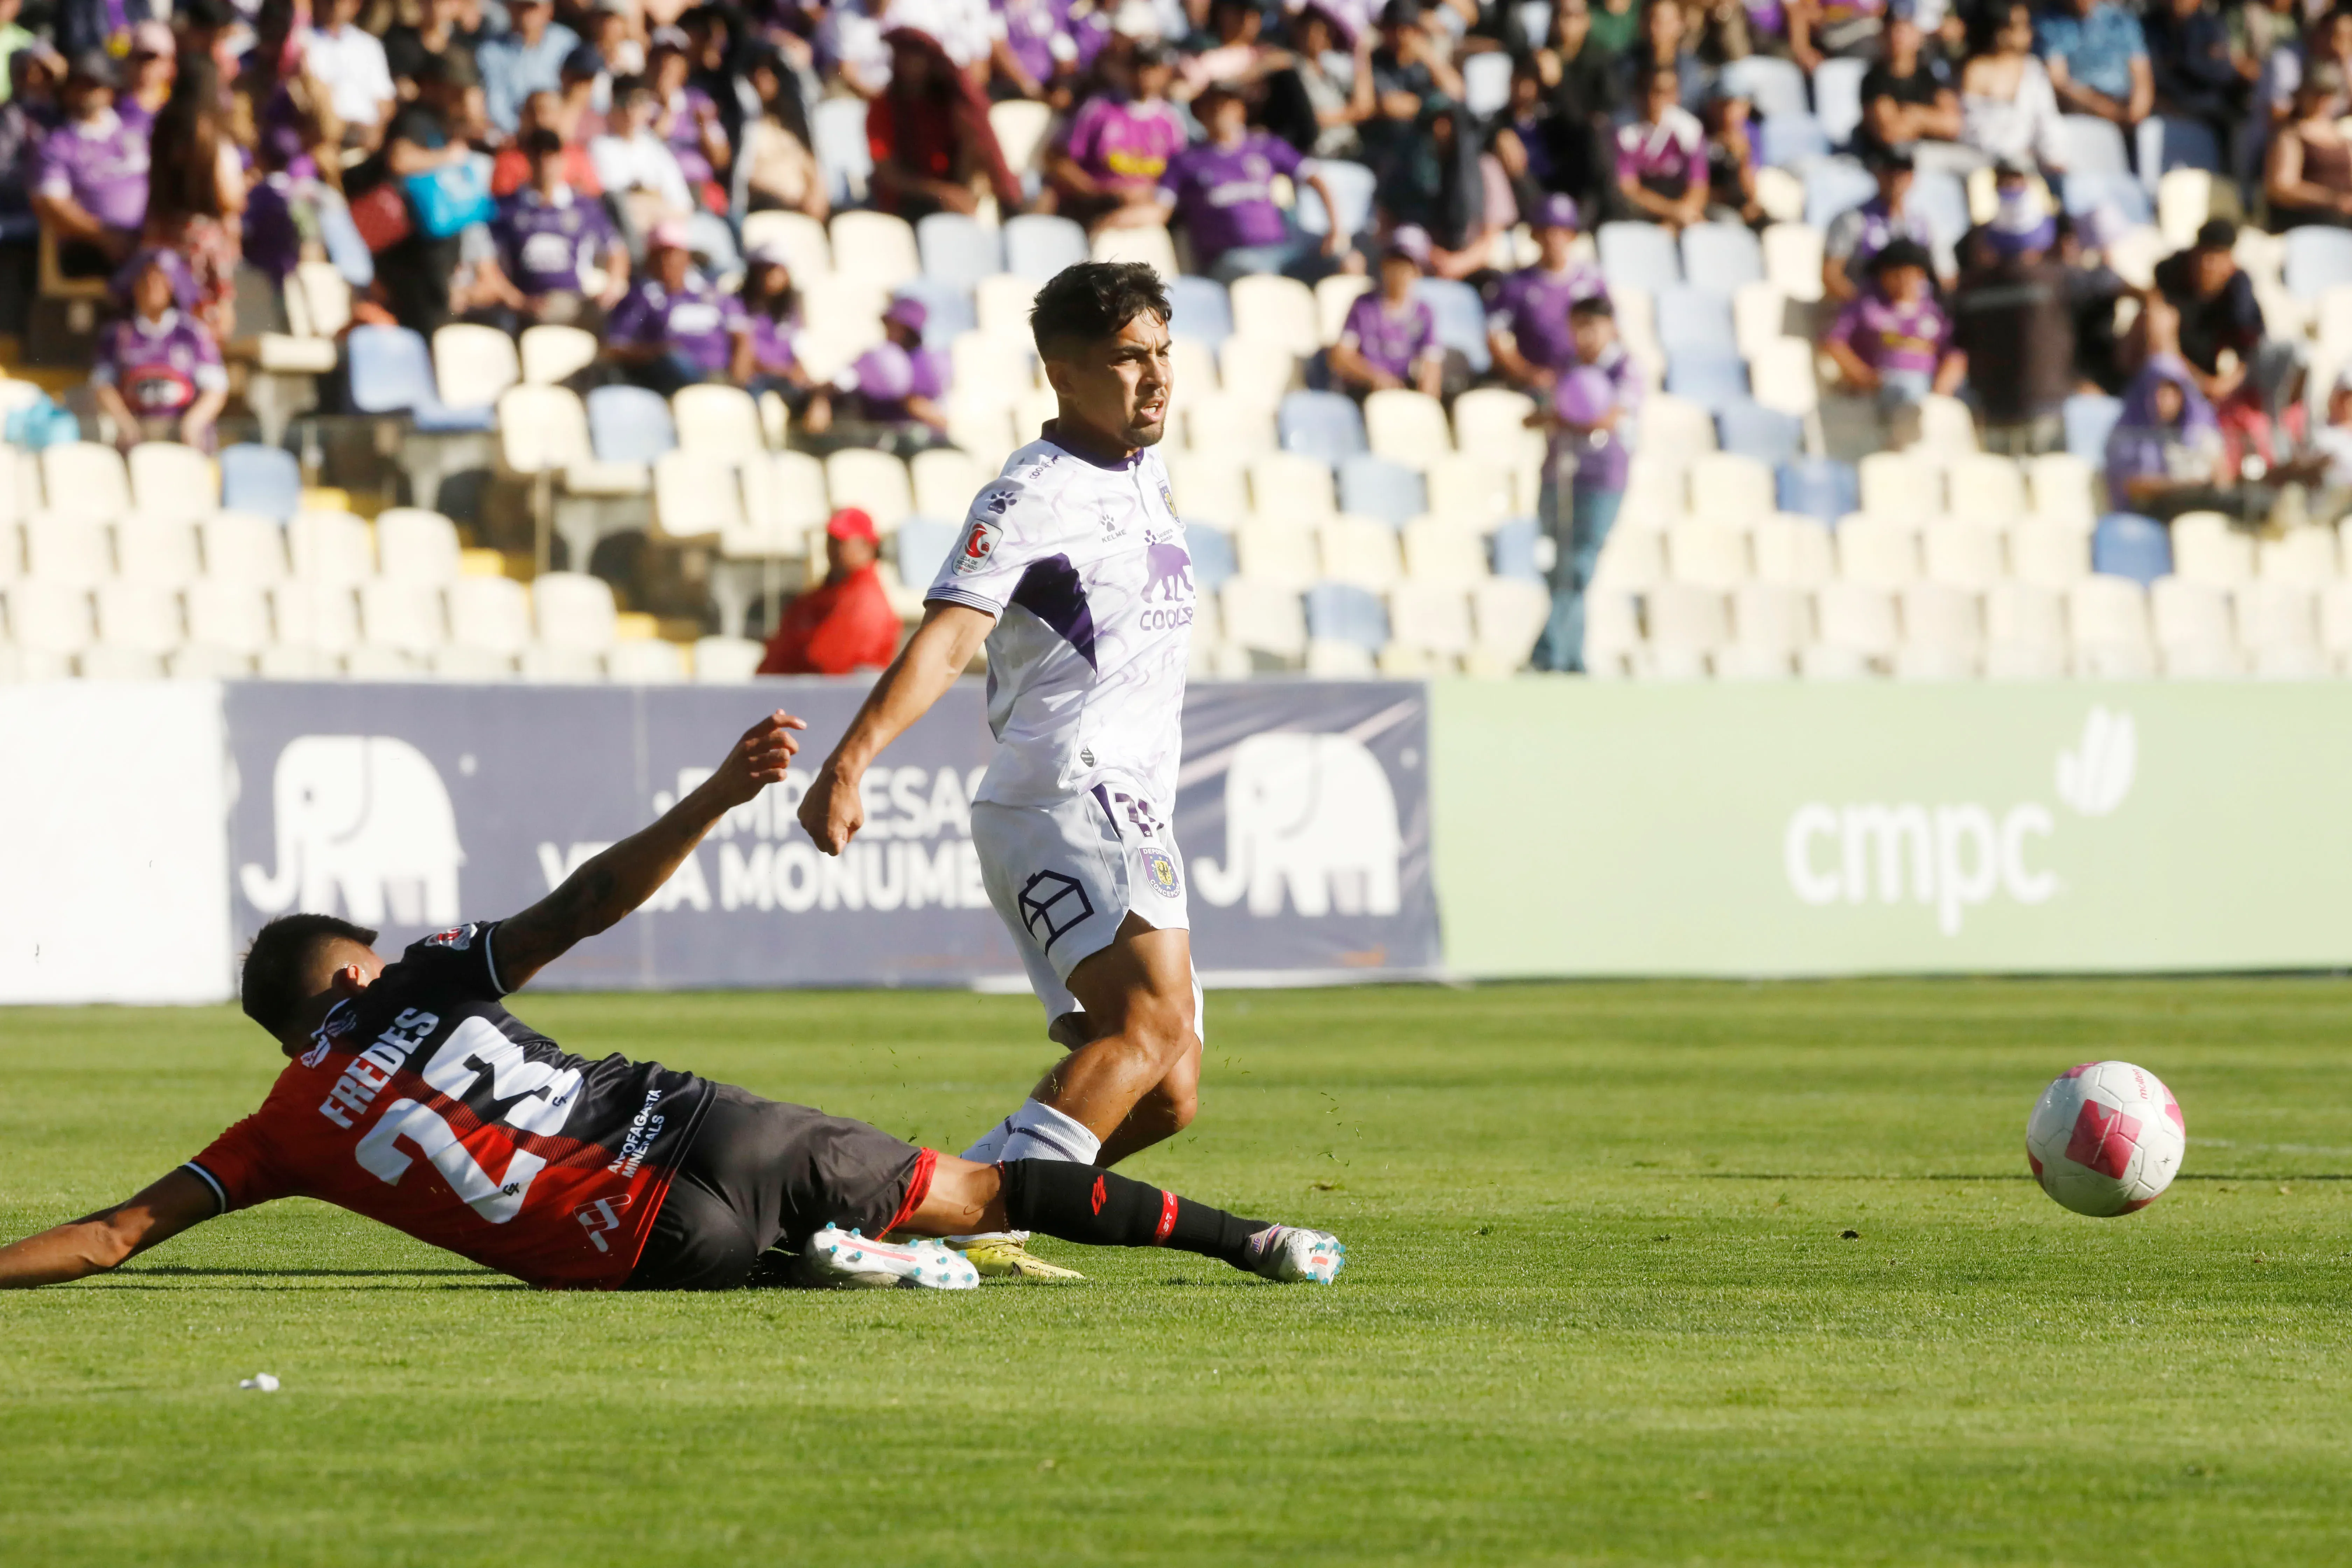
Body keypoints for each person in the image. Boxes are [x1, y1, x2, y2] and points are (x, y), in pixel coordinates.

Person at [0, 715, 1346, 1295]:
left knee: (755, 1253)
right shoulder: (417, 982)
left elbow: (114, 1236)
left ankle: (830, 1268)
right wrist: (713, 795)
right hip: (698, 1126)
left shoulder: (279, 1125)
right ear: (349, 977)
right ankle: (1254, 1242)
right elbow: (582, 908)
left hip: (646, 1250)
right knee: (983, 1194)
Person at [796, 262, 1202, 1282]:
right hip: (1068, 789)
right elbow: (942, 642)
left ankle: (949, 1203)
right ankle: (910, 1224)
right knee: (1148, 1028)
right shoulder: (1030, 495)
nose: (1155, 378)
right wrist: (849, 764)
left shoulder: (1142, 471)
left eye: (1161, 352)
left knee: (1165, 1087)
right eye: (1127, 358)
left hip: (1130, 802)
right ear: (1063, 374)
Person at [1530, 293, 1640, 672]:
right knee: (1558, 568)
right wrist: (1554, 417)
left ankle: (1547, 652)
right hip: (1559, 474)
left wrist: (1564, 419)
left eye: (1591, 326)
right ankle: (1571, 658)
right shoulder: (1566, 367)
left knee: (1579, 566)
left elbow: (1608, 418)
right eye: (1578, 327)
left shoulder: (1624, 368)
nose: (1585, 335)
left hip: (1602, 480)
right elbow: (1540, 414)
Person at [1157, 81, 1348, 282]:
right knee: (1256, 278)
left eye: (1228, 105)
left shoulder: (1265, 146)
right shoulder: (1186, 160)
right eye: (1213, 107)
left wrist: (1335, 229)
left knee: (1346, 262)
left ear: (1241, 110)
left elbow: (1315, 177)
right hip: (1229, 259)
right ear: (1200, 114)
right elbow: (1161, 208)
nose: (1221, 113)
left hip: (1281, 250)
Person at [136, 56, 244, 342]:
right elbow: (229, 197)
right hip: (202, 238)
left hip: (161, 235)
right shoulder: (207, 130)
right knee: (205, 327)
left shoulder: (162, 125)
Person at [866, 26, 1023, 220]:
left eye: (917, 55)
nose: (909, 63)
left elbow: (976, 146)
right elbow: (888, 175)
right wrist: (943, 192)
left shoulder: (950, 102)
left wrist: (967, 188)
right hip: (906, 203)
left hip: (953, 193)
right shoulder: (883, 106)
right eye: (903, 54)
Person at [1823, 238, 1965, 438]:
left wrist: (1942, 387)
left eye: (1909, 274)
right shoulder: (1867, 306)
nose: (1903, 281)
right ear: (1882, 276)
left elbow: (1954, 354)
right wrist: (1864, 377)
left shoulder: (1933, 311)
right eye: (1896, 275)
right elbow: (1835, 343)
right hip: (1887, 385)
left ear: (1921, 275)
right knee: (1907, 393)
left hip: (1929, 384)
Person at [89, 249, 227, 452]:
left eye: (160, 280)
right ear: (134, 286)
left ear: (171, 286)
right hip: (137, 440)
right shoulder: (118, 335)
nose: (152, 287)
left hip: (183, 441)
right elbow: (102, 385)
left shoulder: (193, 334)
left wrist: (193, 423)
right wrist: (125, 423)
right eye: (146, 280)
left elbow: (216, 389)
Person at [490, 126, 628, 327]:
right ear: (528, 159)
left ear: (562, 159)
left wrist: (614, 286)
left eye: (551, 155)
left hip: (574, 301)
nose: (545, 163)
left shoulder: (584, 207)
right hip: (527, 302)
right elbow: (488, 260)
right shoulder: (506, 208)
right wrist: (516, 300)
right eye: (539, 155)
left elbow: (616, 250)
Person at [1046, 40, 1185, 230]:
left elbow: (1179, 176)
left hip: (1149, 210)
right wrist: (1096, 191)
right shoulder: (1099, 109)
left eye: (1152, 67)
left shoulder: (1170, 120)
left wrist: (1152, 196)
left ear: (1166, 72)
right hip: (1099, 207)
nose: (1144, 74)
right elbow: (1058, 161)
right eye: (1137, 66)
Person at [32, 51, 149, 275]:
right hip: (90, 248)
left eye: (93, 86)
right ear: (66, 92)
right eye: (79, 86)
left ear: (109, 91)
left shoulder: (137, 131)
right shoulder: (57, 144)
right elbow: (51, 203)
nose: (86, 94)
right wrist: (103, 236)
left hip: (147, 237)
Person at [606, 218, 752, 394]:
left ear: (687, 256)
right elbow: (614, 348)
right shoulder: (638, 299)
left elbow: (741, 338)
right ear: (650, 258)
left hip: (722, 374)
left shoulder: (713, 294)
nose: (668, 261)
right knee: (675, 361)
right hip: (673, 378)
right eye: (661, 254)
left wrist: (738, 379)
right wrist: (657, 353)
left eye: (674, 253)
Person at [756, 507, 902, 673]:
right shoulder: (827, 592)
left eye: (841, 541)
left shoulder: (866, 600)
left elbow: (828, 662)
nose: (834, 548)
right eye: (831, 540)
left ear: (867, 546)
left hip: (836, 695)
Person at [1487, 192, 1606, 394]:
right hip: (1534, 386)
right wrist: (1528, 373)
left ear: (1573, 236)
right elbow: (1496, 337)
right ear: (1534, 235)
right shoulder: (1516, 285)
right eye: (1546, 231)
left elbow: (1609, 334)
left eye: (1561, 231)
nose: (1553, 238)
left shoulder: (1592, 282)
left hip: (1585, 382)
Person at [2150, 218, 2268, 407]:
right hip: (2170, 374)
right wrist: (2199, 383)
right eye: (2202, 256)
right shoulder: (2172, 273)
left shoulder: (2239, 292)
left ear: (2229, 263)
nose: (2206, 265)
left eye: (2214, 258)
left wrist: (2222, 386)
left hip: (2212, 377)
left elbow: (2251, 348)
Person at [2104, 350, 2229, 519]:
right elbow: (2130, 485)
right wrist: (2182, 487)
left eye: (2173, 392)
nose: (2164, 400)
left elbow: (2221, 472)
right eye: (2159, 392)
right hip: (2148, 515)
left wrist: (2214, 483)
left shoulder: (2196, 426)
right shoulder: (2129, 431)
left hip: (2198, 508)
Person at [1329, 226, 1444, 397]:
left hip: (1403, 393)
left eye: (1407, 265)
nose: (1400, 272)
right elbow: (1341, 356)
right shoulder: (1364, 306)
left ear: (1418, 271)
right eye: (1395, 262)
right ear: (1384, 265)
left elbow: (1432, 364)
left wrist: (1426, 402)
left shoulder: (1424, 313)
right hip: (1365, 394)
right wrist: (1374, 377)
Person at [1823, 145, 1944, 301]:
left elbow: (1944, 277)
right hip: (1865, 314)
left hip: (1915, 314)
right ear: (1877, 174)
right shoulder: (1851, 220)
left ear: (1913, 178)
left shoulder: (1924, 225)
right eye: (1890, 171)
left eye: (1903, 172)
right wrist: (1869, 310)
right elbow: (1831, 276)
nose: (1896, 178)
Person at [1959, 1, 2065, 174]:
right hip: (1982, 166)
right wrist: (2008, 155)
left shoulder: (2034, 70)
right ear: (2000, 30)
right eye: (2018, 26)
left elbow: (2047, 120)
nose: (2027, 33)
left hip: (2026, 169)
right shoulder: (1977, 70)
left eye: (2027, 26)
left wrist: (2053, 158)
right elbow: (1972, 128)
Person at [1857, 2, 1962, 161]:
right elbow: (1889, 132)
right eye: (1893, 28)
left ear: (1918, 35)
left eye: (1905, 29)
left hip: (1927, 156)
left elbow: (1952, 124)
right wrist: (1931, 122)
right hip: (1886, 164)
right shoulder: (1874, 79)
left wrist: (1915, 116)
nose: (1898, 36)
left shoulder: (1930, 76)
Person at [1614, 66, 1707, 231]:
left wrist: (1679, 218)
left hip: (1683, 206)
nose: (1655, 99)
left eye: (1664, 92)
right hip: (1643, 209)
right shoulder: (1624, 132)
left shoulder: (1689, 130)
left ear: (1676, 95)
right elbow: (1629, 189)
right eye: (1649, 91)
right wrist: (1673, 212)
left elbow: (1699, 185)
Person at [2036, 0, 2151, 131]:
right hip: (2081, 114)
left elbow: (2142, 73)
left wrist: (2135, 114)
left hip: (2127, 110)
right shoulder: (2050, 23)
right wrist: (2108, 111)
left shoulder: (2121, 19)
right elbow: (2059, 81)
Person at [2143, 0, 2242, 150]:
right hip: (2164, 106)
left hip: (2206, 112)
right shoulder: (2150, 26)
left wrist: (2179, 62)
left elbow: (2222, 73)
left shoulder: (2212, 26)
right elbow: (2154, 74)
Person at [2265, 64, 2352, 229]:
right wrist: (2333, 200)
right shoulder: (2290, 135)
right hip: (2310, 217)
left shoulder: (2342, 136)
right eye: (2317, 92)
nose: (2322, 99)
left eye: (2328, 93)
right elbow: (2281, 188)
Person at [302, 0, 398, 147]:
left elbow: (385, 100)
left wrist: (377, 131)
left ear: (356, 5)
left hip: (365, 137)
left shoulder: (369, 45)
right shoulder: (304, 42)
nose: (335, 6)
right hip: (321, 135)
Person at [479, 0, 582, 136]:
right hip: (513, 136)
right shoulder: (490, 50)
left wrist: (562, 123)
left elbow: (580, 92)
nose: (526, 13)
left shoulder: (567, 43)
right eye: (521, 7)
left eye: (533, 7)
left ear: (549, 10)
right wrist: (524, 134)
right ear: (510, 8)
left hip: (562, 132)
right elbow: (496, 103)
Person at [117, 21, 174, 139]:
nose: (144, 66)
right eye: (139, 58)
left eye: (152, 58)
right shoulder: (113, 106)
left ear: (170, 63)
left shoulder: (177, 108)